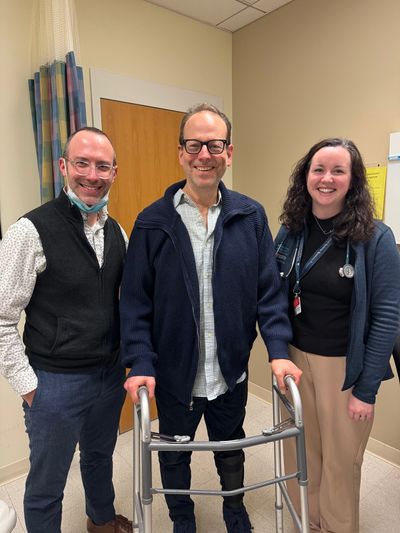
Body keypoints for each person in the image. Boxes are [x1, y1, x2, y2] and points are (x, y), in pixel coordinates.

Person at [119, 103, 301, 533]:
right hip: (174, 376)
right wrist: (140, 361)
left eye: (215, 145)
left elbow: (268, 294)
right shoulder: (152, 222)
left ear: (229, 153)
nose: (204, 154)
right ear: (181, 153)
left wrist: (278, 350)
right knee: (174, 455)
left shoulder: (250, 217)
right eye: (194, 145)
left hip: (230, 373)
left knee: (230, 448)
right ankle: (182, 518)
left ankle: (234, 512)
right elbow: (135, 303)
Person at [0, 127, 132, 533]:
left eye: (102, 166)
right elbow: (2, 317)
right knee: (47, 484)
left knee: (99, 457)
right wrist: (29, 387)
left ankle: (101, 521)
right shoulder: (30, 231)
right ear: (63, 166)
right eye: (82, 163)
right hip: (55, 382)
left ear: (114, 173)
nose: (92, 175)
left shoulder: (117, 232)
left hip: (108, 377)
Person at [274, 138, 400, 533]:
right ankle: (308, 525)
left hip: (345, 369)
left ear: (353, 180)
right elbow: (272, 291)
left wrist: (367, 390)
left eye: (338, 171)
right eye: (318, 169)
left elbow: (387, 317)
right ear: (305, 176)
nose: (326, 178)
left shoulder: (375, 238)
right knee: (301, 456)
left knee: (340, 465)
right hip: (295, 361)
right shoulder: (291, 230)